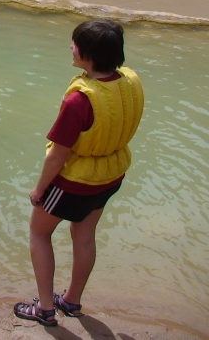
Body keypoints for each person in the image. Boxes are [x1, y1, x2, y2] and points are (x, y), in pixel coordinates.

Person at [14, 19, 144, 327]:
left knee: (39, 233)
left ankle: (45, 309)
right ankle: (71, 301)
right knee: (84, 235)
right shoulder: (129, 80)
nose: (71, 47)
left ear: (89, 55)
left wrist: (39, 189)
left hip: (74, 182)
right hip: (111, 175)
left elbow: (58, 155)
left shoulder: (80, 99)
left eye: (76, 44)